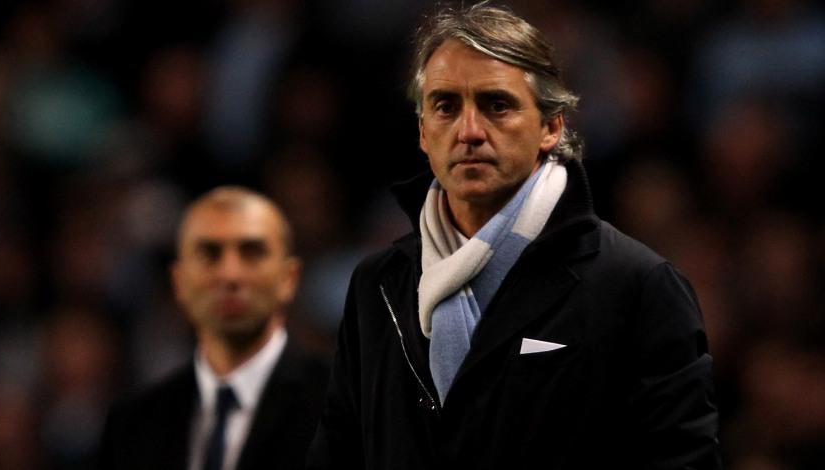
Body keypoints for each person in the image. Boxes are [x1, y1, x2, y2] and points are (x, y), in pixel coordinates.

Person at [306, 3, 721, 469]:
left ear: (551, 126)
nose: (469, 131)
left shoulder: (638, 287)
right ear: (423, 132)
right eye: (445, 106)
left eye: (496, 105)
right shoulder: (377, 286)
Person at [100, 186, 329, 470]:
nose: (230, 275)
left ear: (289, 278)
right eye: (208, 253)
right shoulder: (133, 424)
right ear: (179, 281)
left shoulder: (346, 406)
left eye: (252, 252)